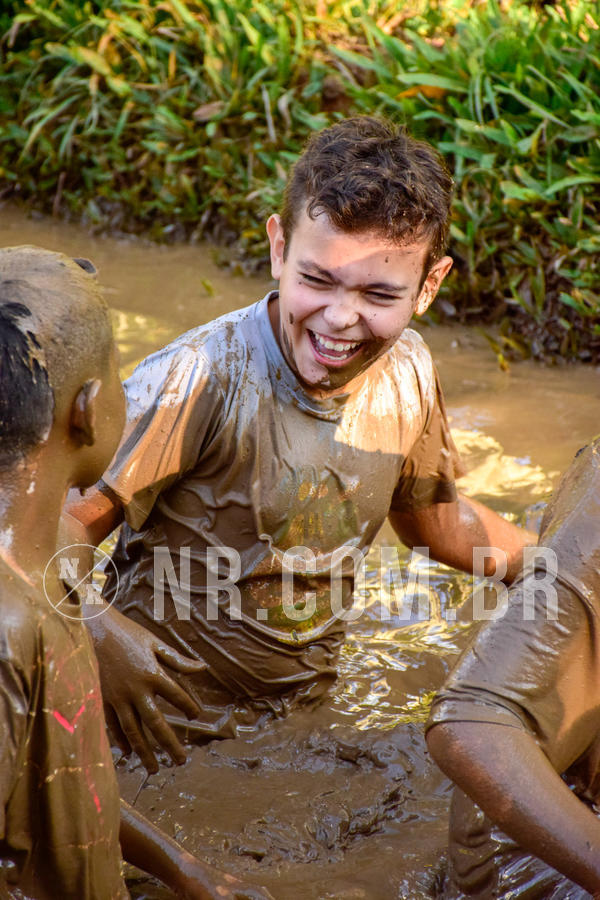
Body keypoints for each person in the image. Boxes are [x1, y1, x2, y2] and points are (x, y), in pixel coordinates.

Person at [64, 115, 536, 774]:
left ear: (429, 286)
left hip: (293, 727)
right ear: (279, 249)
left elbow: (439, 526)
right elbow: (42, 534)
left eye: (379, 294)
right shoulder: (200, 379)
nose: (340, 318)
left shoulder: (408, 371)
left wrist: (558, 565)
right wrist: (101, 636)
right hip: (151, 729)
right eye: (317, 280)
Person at [0, 246, 271, 899]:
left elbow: (58, 786)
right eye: (121, 376)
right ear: (89, 410)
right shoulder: (8, 625)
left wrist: (186, 871)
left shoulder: (41, 575)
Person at [426, 436, 600, 898]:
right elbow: (467, 720)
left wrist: (547, 566)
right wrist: (558, 573)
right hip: (544, 856)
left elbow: (429, 515)